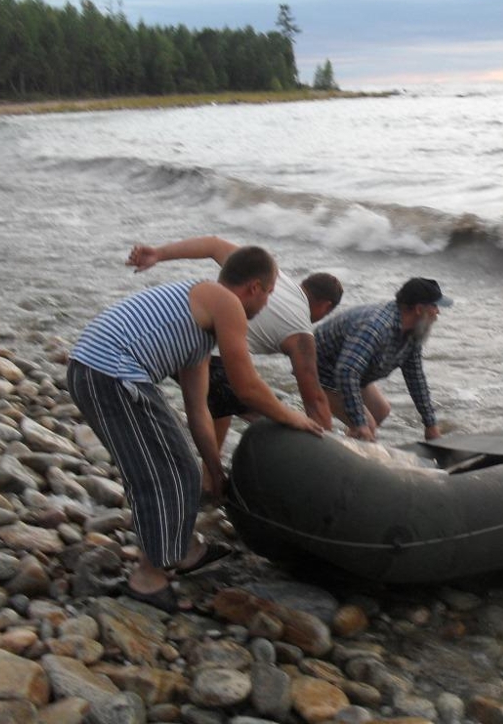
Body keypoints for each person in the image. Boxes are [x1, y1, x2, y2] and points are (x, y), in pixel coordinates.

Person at [68, 245, 323, 612]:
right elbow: (246, 385)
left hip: (96, 370)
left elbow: (198, 408)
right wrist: (291, 415)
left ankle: (184, 550)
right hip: (110, 373)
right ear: (254, 287)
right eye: (268, 294)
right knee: (162, 474)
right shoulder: (224, 303)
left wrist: (214, 469)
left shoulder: (200, 325)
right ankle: (148, 578)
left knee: (181, 469)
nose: (266, 304)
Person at [126, 236, 343, 448]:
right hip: (206, 355)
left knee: (229, 396)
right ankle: (213, 475)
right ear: (325, 306)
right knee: (264, 409)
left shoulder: (270, 274)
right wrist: (331, 449)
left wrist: (158, 253)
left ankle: (212, 466)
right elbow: (315, 400)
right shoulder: (302, 333)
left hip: (177, 340)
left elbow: (213, 244)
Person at [315, 277, 451, 441]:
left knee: (381, 410)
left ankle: (349, 444)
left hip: (349, 370)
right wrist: (360, 424)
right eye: (435, 306)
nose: (438, 312)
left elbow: (416, 378)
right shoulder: (376, 328)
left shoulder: (412, 332)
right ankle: (351, 452)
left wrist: (431, 425)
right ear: (419, 309)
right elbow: (346, 372)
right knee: (366, 424)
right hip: (318, 371)